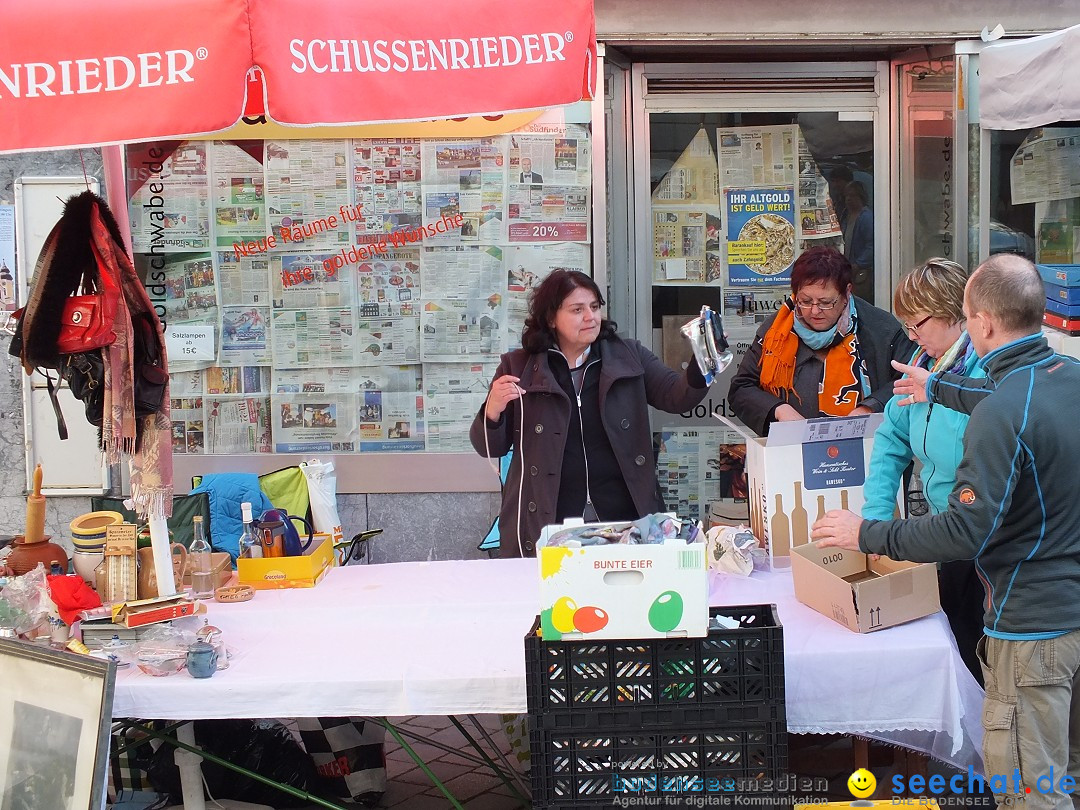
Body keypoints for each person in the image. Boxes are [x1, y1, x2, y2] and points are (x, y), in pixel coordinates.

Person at [812, 254, 1080, 809]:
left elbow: (965, 532)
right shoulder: (1064, 379)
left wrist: (867, 533)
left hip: (1026, 617)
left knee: (1031, 789)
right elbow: (1002, 406)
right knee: (1060, 769)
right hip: (1067, 607)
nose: (913, 335)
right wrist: (937, 391)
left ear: (979, 321)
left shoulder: (1004, 409)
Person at [470, 269, 710, 557]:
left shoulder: (628, 355)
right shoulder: (519, 366)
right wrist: (493, 408)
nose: (591, 317)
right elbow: (490, 446)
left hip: (623, 519)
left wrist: (703, 362)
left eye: (595, 307)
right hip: (550, 521)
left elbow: (677, 396)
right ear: (550, 318)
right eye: (577, 309)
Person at [859, 258, 986, 685]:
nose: (911, 337)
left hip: (980, 539)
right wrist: (877, 516)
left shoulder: (983, 369)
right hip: (941, 533)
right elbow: (892, 436)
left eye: (917, 324)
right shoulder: (920, 361)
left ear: (951, 312)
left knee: (974, 649)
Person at [727, 246, 914, 436]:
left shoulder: (881, 329)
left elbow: (911, 377)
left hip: (867, 449)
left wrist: (870, 408)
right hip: (793, 451)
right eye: (805, 301)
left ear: (846, 293)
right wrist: (779, 410)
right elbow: (742, 388)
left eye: (825, 303)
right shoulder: (775, 331)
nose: (814, 311)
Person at [842, 181, 874, 297]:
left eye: (852, 195)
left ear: (860, 196)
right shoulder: (846, 215)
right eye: (846, 196)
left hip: (860, 272)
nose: (848, 199)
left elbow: (871, 245)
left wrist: (858, 264)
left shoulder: (866, 217)